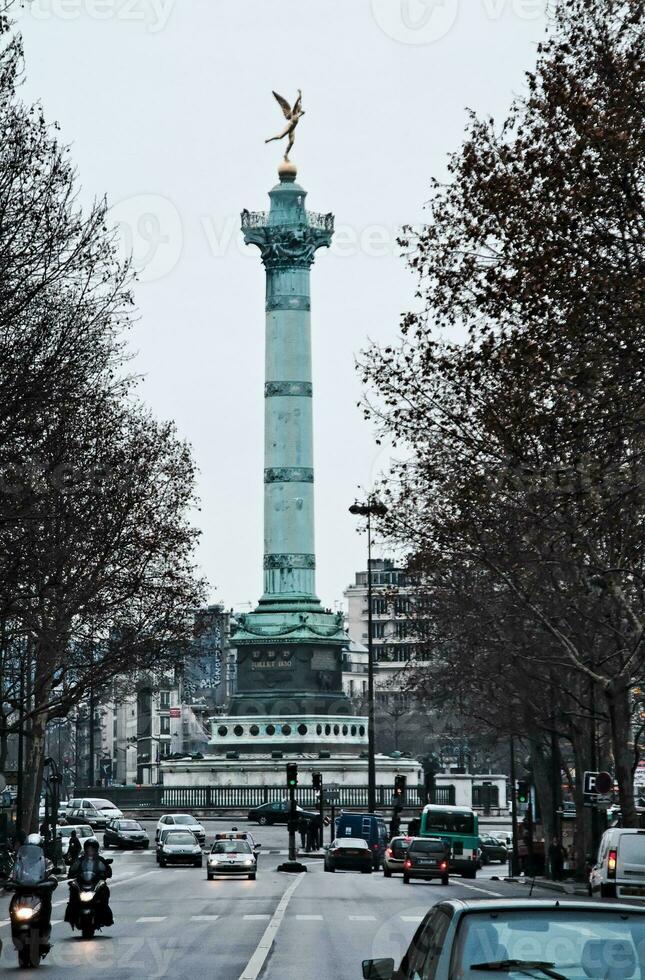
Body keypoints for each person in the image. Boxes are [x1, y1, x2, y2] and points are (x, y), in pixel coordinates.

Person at [66, 838, 113, 928]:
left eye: (92, 848)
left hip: (94, 883)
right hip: (82, 883)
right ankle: (71, 915)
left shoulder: (100, 859)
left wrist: (106, 873)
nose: (90, 850)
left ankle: (105, 915)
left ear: (96, 849)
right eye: (88, 848)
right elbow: (73, 868)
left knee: (104, 889)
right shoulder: (80, 860)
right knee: (72, 888)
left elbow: (107, 869)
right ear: (85, 849)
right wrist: (72, 872)